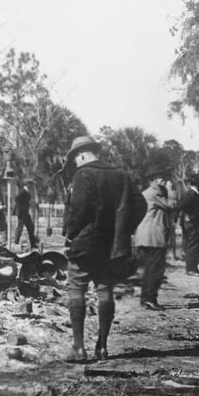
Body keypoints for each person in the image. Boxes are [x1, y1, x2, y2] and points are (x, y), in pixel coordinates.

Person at [62, 135, 145, 362]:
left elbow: (78, 210)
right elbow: (140, 205)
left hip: (84, 244)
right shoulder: (121, 174)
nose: (76, 164)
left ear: (81, 155)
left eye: (75, 159)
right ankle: (102, 347)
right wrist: (123, 229)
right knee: (104, 289)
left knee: (77, 287)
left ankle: (79, 348)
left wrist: (70, 233)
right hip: (110, 246)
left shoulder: (83, 174)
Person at [134, 175, 177, 311]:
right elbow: (172, 205)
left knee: (149, 269)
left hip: (145, 236)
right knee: (156, 270)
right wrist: (171, 190)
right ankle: (150, 300)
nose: (163, 182)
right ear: (152, 181)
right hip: (153, 237)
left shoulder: (146, 192)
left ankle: (145, 298)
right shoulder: (155, 193)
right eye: (160, 180)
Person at [177, 172, 199, 276]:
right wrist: (191, 216)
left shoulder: (193, 193)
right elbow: (182, 205)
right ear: (198, 183)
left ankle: (194, 268)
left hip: (197, 223)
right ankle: (190, 269)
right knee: (193, 246)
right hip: (193, 224)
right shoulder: (191, 193)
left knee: (196, 246)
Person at [14, 183, 39, 249]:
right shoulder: (23, 192)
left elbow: (24, 201)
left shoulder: (26, 192)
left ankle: (32, 244)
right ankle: (17, 243)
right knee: (25, 228)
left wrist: (29, 203)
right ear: (26, 186)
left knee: (27, 228)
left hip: (24, 213)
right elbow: (17, 199)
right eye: (29, 186)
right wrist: (22, 207)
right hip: (22, 213)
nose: (30, 188)